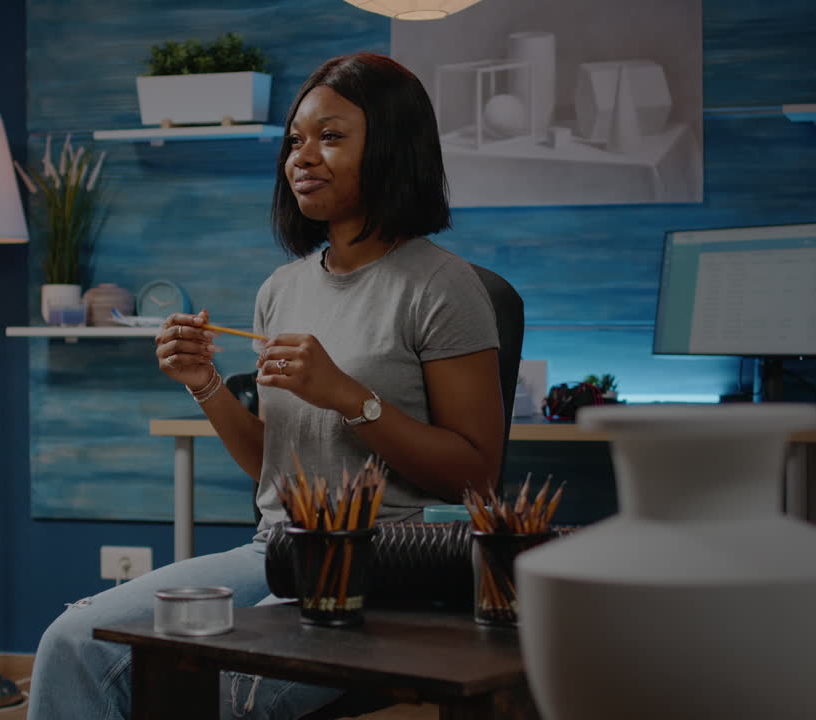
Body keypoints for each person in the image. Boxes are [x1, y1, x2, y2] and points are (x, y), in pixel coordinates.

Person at [29, 52, 505, 720]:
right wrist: (206, 385)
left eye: (331, 137)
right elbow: (273, 472)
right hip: (277, 553)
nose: (302, 157)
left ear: (392, 148)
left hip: (389, 567)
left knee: (216, 697)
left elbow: (475, 478)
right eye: (295, 140)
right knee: (70, 644)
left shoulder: (442, 286)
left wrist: (349, 397)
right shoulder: (281, 289)